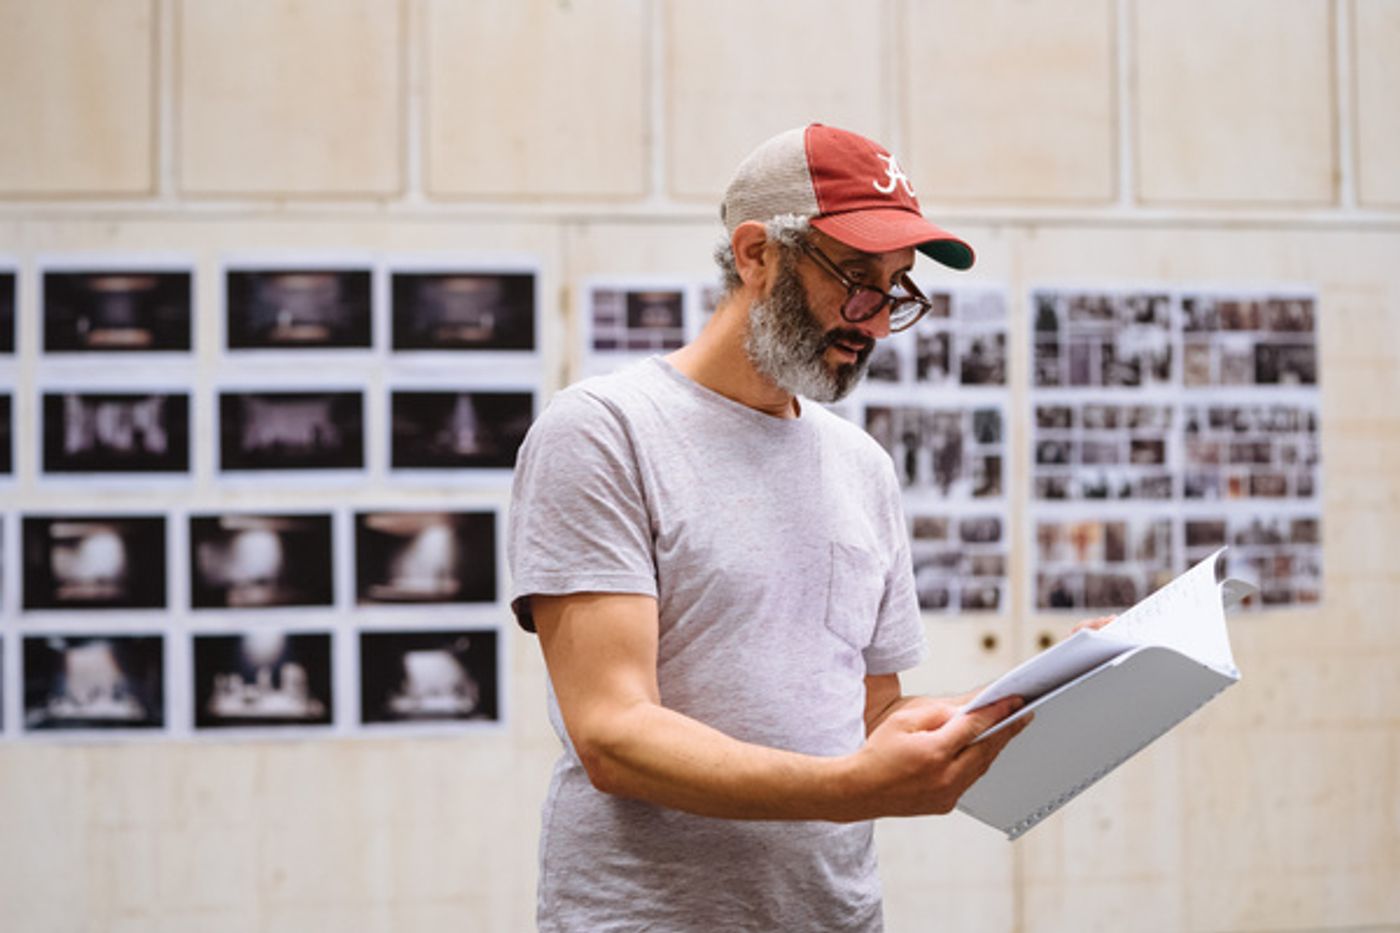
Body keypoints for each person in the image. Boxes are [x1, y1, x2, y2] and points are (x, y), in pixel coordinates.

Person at [508, 124, 1028, 931]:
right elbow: (613, 733)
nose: (876, 324)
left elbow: (866, 718)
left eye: (896, 290)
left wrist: (1038, 694)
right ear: (756, 254)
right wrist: (856, 788)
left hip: (833, 914)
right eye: (856, 278)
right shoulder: (605, 431)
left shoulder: (862, 466)